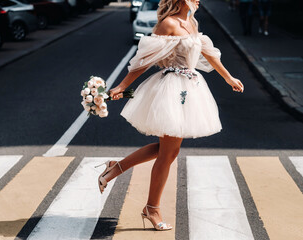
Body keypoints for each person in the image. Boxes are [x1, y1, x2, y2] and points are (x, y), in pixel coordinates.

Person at [95, 0, 244, 231]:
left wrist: (228, 77)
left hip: (191, 88)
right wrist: (123, 86)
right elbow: (146, 59)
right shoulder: (168, 24)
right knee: (168, 152)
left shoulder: (191, 23)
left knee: (170, 151)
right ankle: (151, 207)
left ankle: (116, 168)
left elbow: (207, 52)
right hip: (172, 89)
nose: (198, 0)